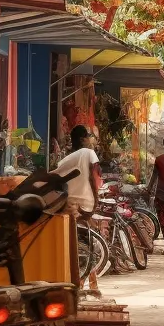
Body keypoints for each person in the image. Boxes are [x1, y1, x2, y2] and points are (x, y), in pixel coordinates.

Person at [55, 125, 102, 294]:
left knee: (76, 244)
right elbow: (95, 176)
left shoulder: (67, 159)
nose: (92, 140)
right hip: (83, 205)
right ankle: (83, 283)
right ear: (83, 139)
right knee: (87, 244)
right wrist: (96, 199)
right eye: (90, 136)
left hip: (67, 204)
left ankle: (88, 283)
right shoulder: (88, 153)